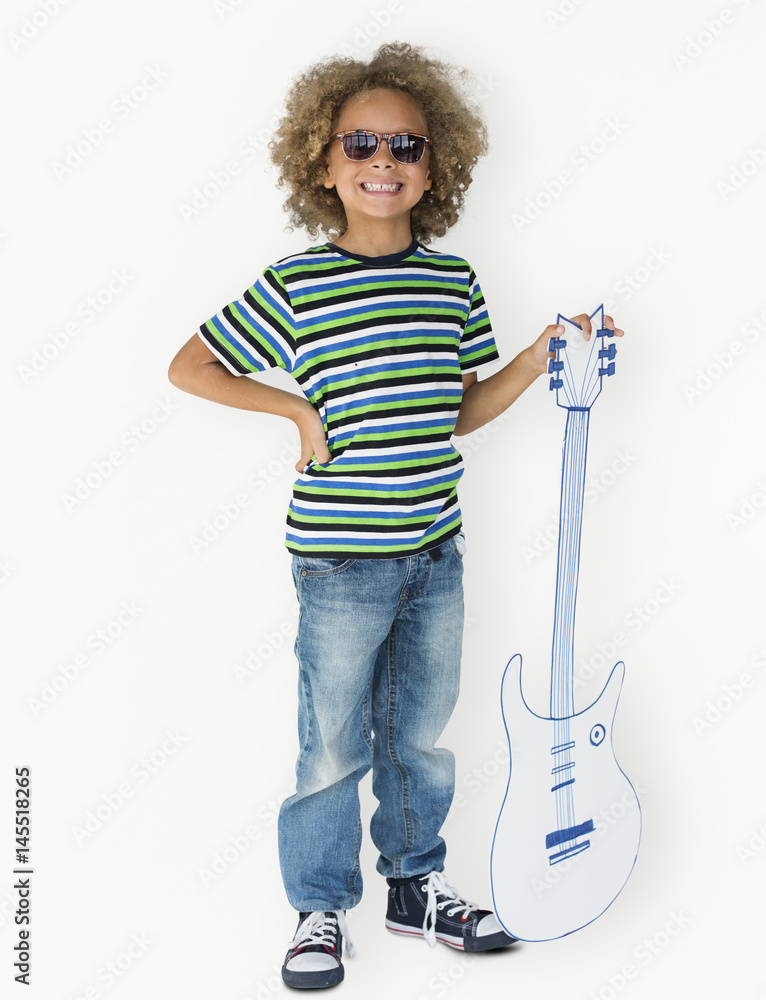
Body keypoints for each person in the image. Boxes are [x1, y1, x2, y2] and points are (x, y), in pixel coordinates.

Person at [168, 41, 624, 990]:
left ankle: (416, 885)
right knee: (331, 738)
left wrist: (541, 358)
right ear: (324, 162)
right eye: (361, 142)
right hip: (339, 561)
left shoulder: (450, 281)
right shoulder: (297, 285)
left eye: (406, 146)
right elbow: (190, 366)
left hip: (433, 552)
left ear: (435, 165)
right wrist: (295, 408)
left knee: (420, 732)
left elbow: (459, 411)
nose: (384, 160)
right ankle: (320, 908)